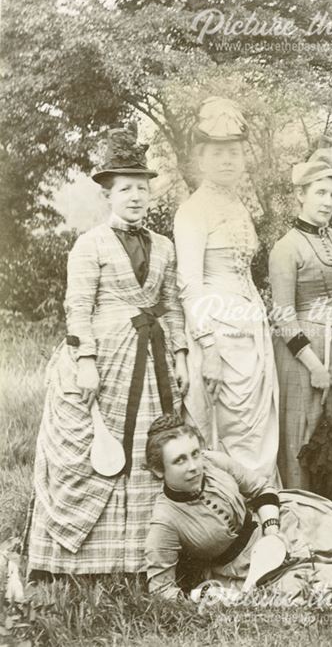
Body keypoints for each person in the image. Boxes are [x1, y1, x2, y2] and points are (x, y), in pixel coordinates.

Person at [28, 127, 188, 576]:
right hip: (106, 361)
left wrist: (180, 357)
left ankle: (147, 560)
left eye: (141, 188)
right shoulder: (89, 245)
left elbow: (171, 305)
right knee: (96, 451)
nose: (135, 197)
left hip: (154, 359)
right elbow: (77, 308)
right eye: (124, 189)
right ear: (108, 195)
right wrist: (85, 362)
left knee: (151, 449)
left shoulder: (164, 246)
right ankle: (84, 563)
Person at [143, 413, 332, 600]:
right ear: (158, 470)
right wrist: (202, 599)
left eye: (195, 453)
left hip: (278, 523)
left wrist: (271, 532)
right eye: (179, 460)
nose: (194, 466)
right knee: (321, 587)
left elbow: (261, 488)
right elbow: (161, 589)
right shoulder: (165, 520)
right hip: (245, 569)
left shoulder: (214, 462)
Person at [173, 97, 280, 482]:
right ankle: (230, 515)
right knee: (228, 428)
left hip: (251, 331)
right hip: (216, 333)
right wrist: (210, 348)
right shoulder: (192, 211)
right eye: (218, 153)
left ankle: (262, 509)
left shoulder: (239, 206)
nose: (228, 161)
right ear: (201, 159)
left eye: (234, 152)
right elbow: (188, 284)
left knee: (255, 424)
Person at [269, 136, 332, 519]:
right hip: (303, 361)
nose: (328, 201)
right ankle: (304, 526)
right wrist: (313, 366)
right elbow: (282, 315)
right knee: (305, 437)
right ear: (301, 195)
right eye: (320, 192)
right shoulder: (286, 247)